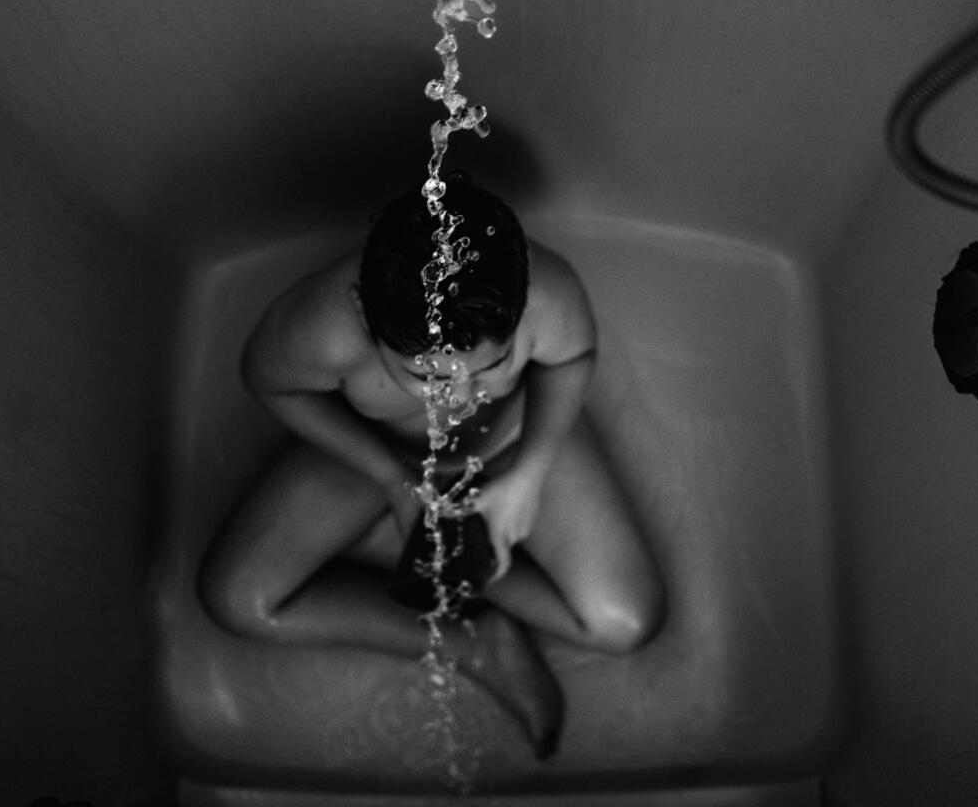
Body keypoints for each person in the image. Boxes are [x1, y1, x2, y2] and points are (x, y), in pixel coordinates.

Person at [198, 173, 664, 759]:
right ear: (366, 317)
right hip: (382, 450)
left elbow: (571, 358)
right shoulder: (321, 328)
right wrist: (388, 475)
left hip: (509, 438)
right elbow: (272, 385)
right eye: (427, 376)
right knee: (238, 600)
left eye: (492, 365)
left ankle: (400, 549)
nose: (462, 397)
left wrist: (529, 473)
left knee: (626, 623)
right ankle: (472, 643)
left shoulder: (544, 291)